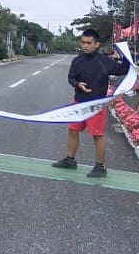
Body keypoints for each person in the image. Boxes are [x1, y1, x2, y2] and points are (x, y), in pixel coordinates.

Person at [52, 28, 129, 178]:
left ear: (97, 44)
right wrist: (77, 84)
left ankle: (100, 167)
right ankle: (70, 160)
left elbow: (122, 70)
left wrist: (125, 56)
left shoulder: (105, 61)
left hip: (96, 105)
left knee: (97, 135)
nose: (85, 46)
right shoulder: (77, 60)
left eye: (89, 43)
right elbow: (71, 78)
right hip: (79, 102)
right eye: (83, 42)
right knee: (72, 130)